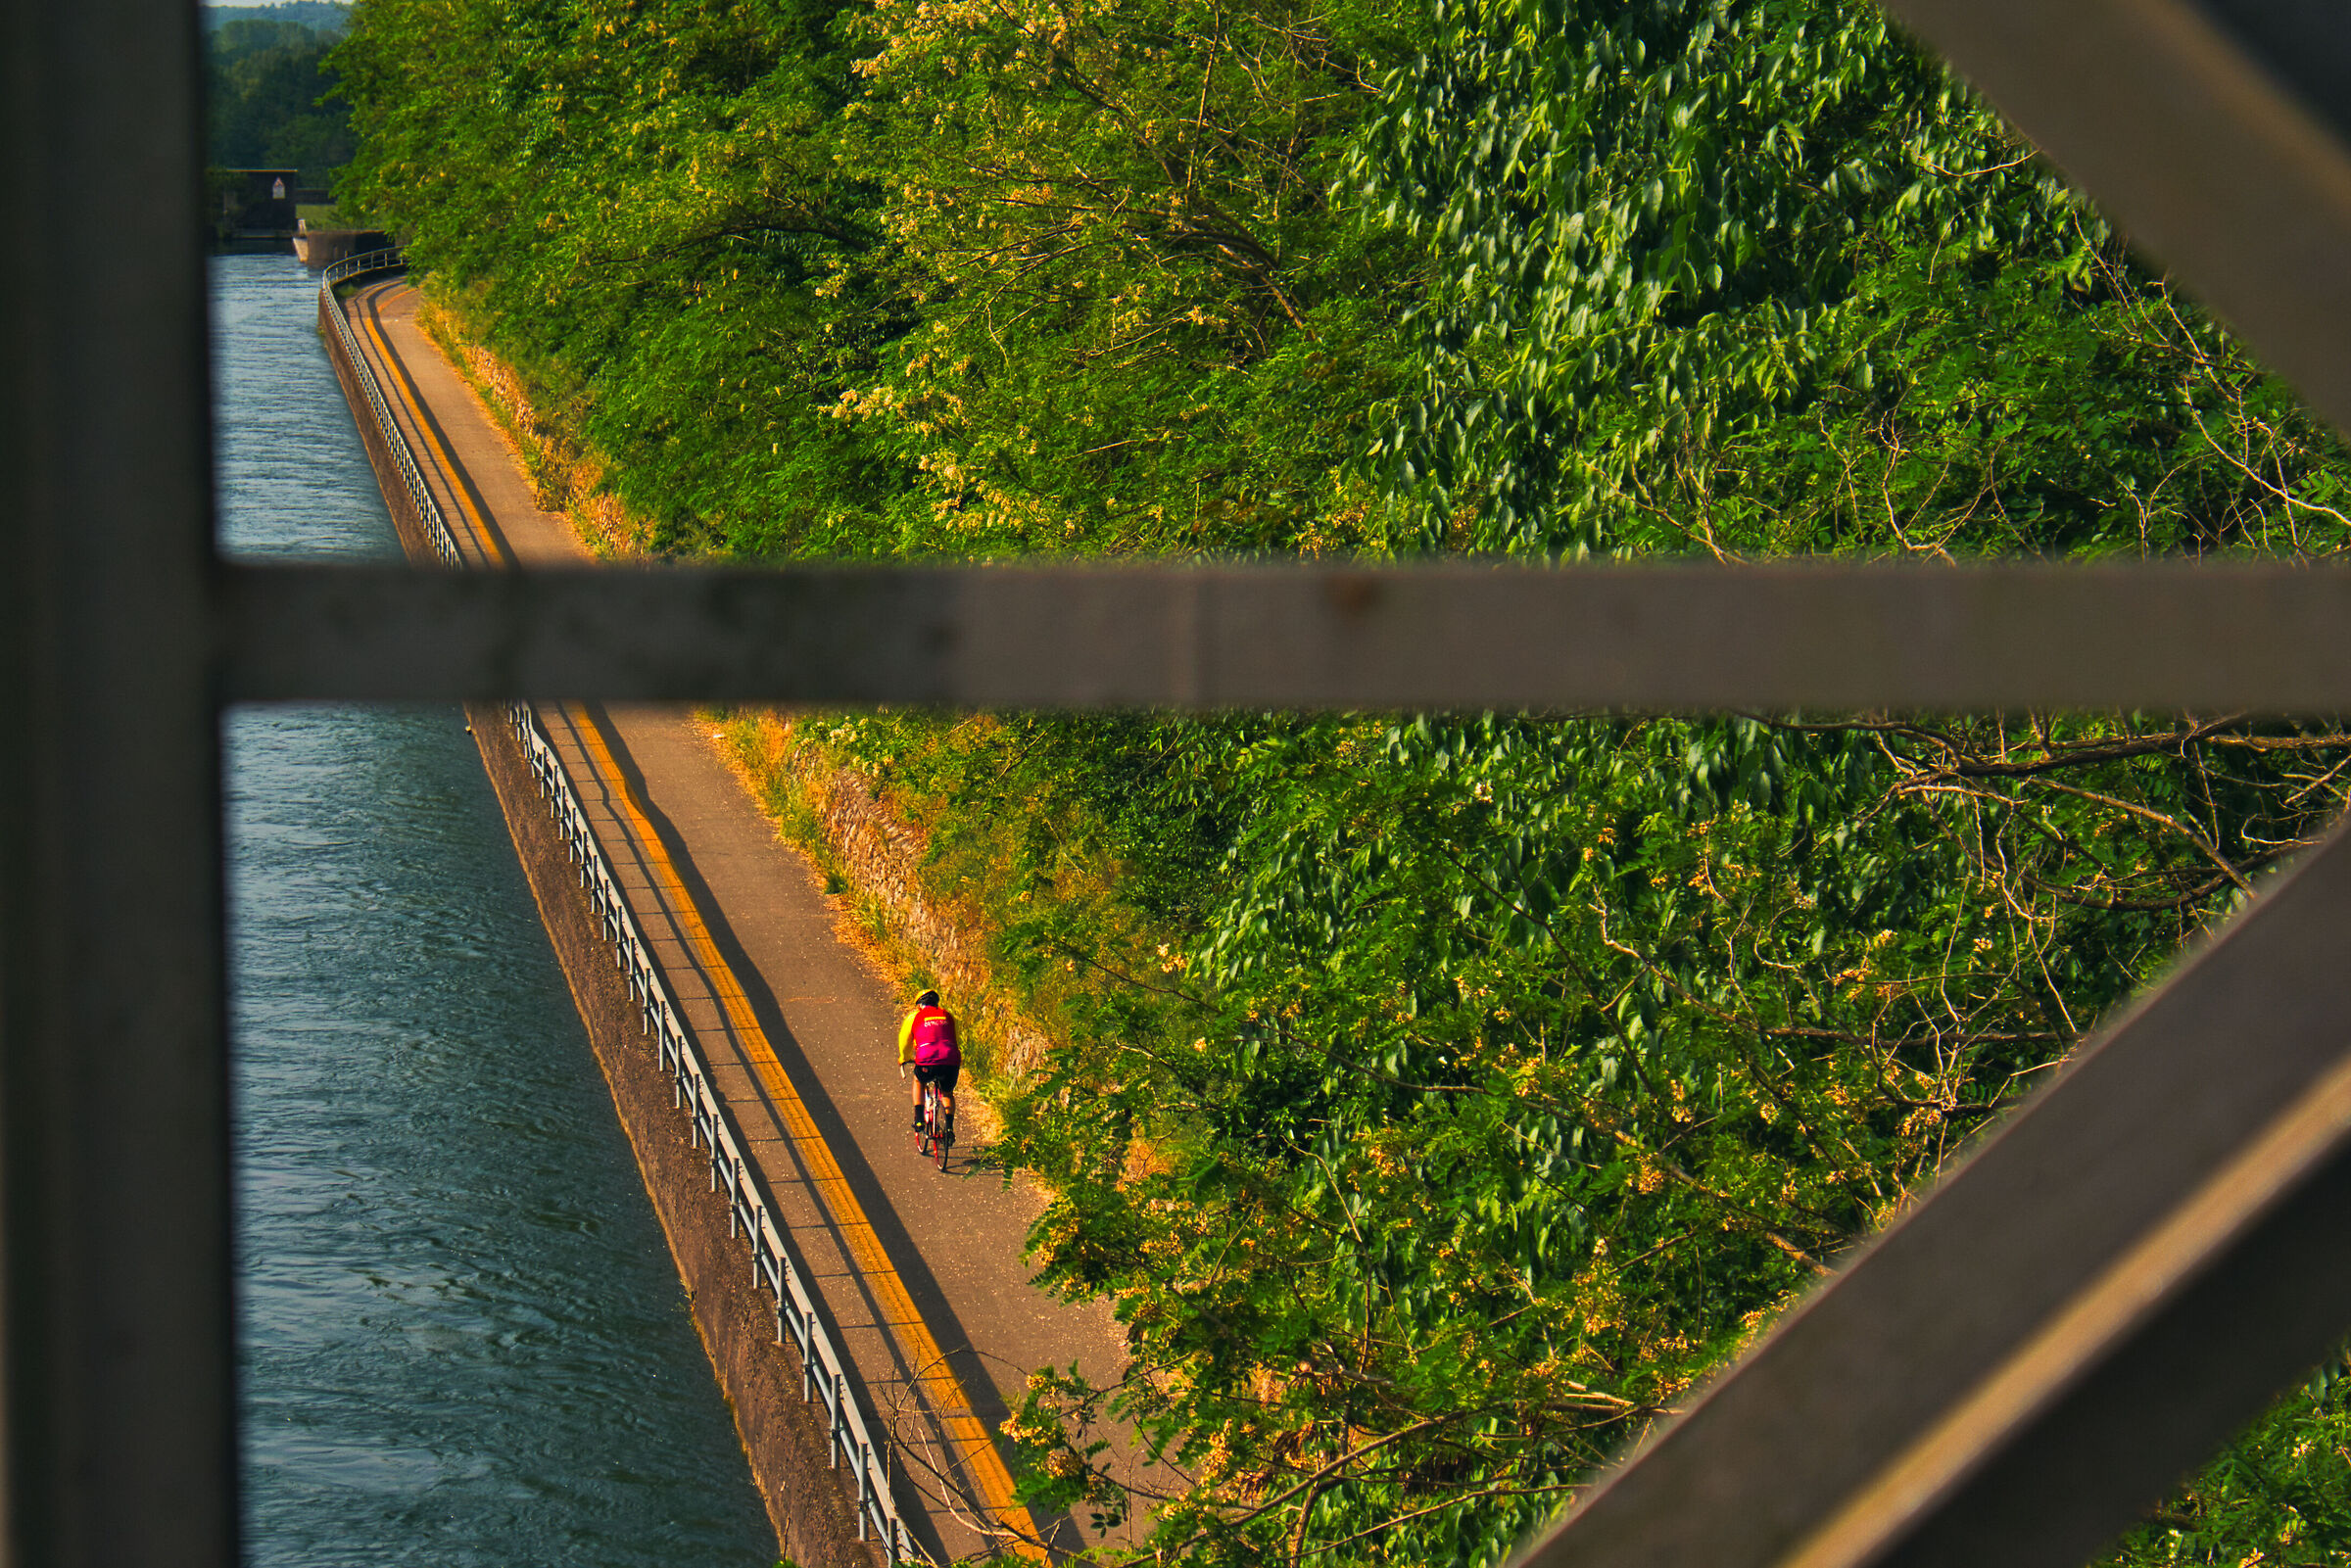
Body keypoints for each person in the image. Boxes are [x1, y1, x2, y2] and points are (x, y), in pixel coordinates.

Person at [899, 987, 960, 1137]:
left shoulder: (914, 1017)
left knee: (919, 1081)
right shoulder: (947, 1015)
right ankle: (949, 1128)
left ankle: (919, 1119)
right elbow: (956, 1037)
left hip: (927, 1058)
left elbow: (905, 1042)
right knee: (947, 1093)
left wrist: (904, 1058)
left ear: (919, 1005)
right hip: (950, 1059)